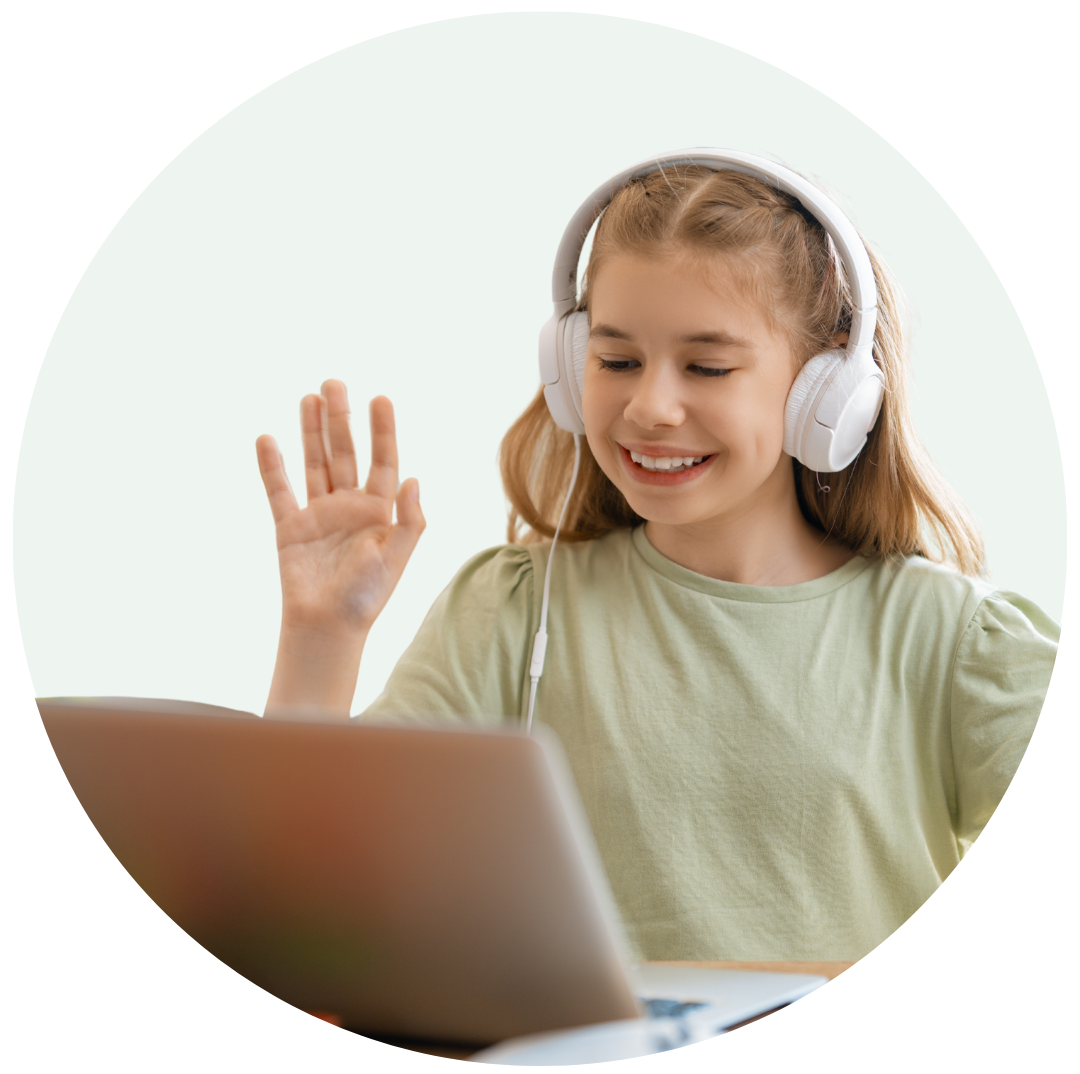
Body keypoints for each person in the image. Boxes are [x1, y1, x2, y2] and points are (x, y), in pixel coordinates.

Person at [254, 158, 1058, 962]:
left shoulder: (955, 643)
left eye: (707, 367)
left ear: (829, 392)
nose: (649, 407)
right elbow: (310, 886)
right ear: (570, 369)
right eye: (617, 361)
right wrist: (323, 636)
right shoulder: (514, 611)